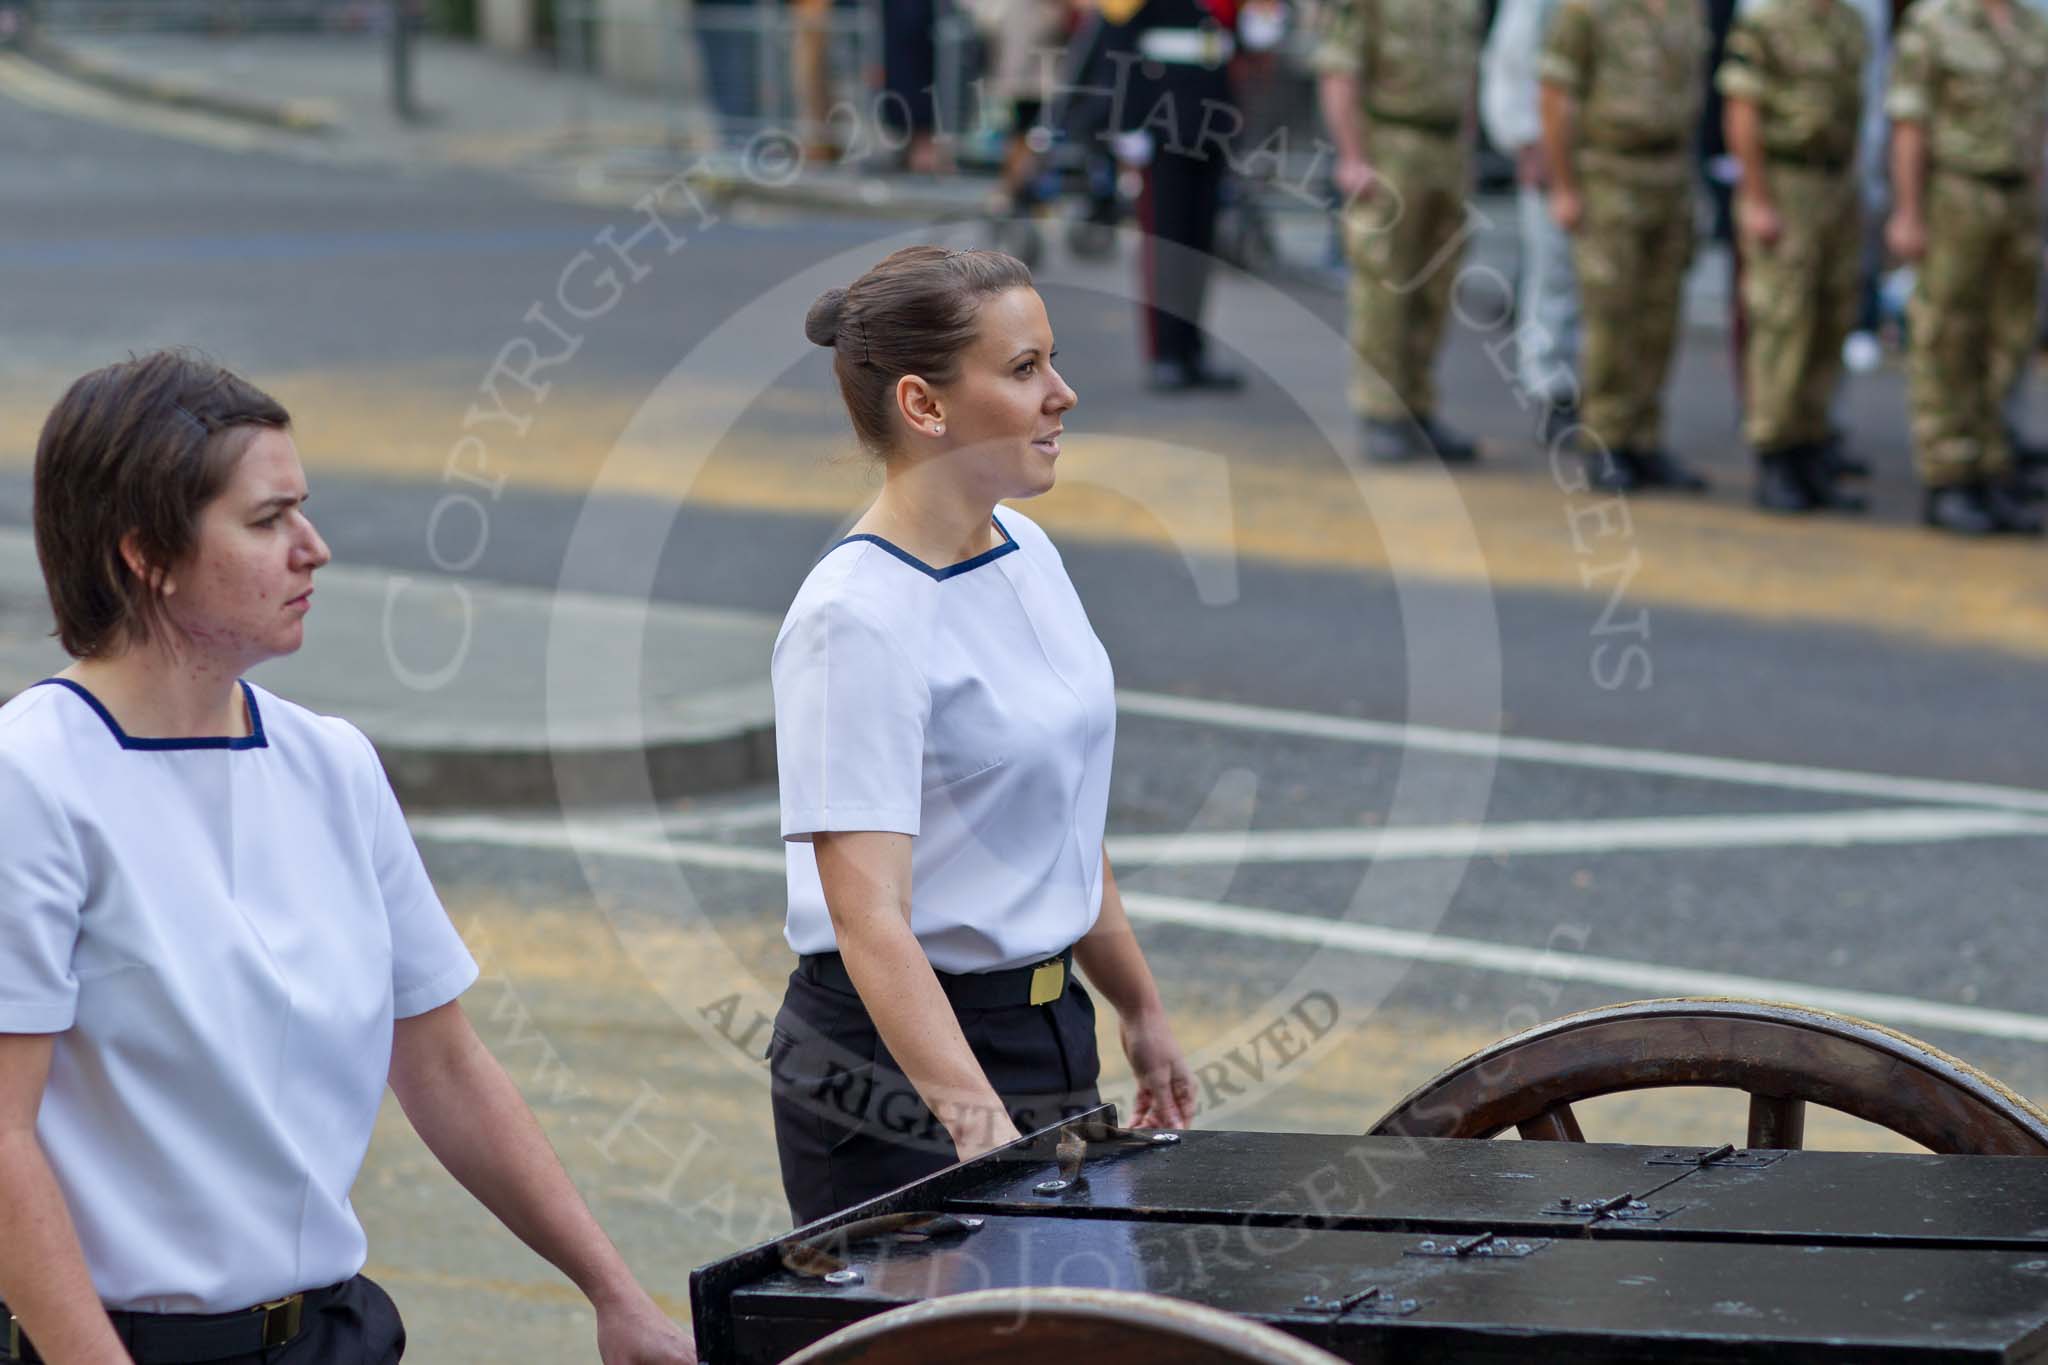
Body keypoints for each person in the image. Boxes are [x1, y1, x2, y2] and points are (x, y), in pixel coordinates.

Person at [0, 352, 695, 1365]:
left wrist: (614, 1295)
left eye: (303, 511)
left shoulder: (332, 763)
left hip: (335, 1336)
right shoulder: (31, 779)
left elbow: (444, 1063)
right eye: (268, 519)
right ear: (147, 553)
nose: (313, 549)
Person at [769, 247, 1196, 1225]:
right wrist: (975, 1132)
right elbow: (867, 919)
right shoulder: (853, 620)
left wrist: (1139, 1008)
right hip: (899, 1074)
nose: (1062, 394)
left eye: (1049, 360)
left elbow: (1057, 823)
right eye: (1022, 369)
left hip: (1049, 1030)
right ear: (923, 406)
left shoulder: (1025, 549)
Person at [1539, 0, 1715, 494]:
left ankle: (1644, 437)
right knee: (1610, 316)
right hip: (1609, 174)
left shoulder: (1686, 10)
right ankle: (1605, 441)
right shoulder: (1587, 10)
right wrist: (1564, 185)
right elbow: (1557, 95)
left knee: (1659, 316)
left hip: (1671, 175)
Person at [1887, 0, 2048, 534]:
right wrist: (1907, 212)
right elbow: (1910, 122)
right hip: (1956, 194)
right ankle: (1949, 475)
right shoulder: (1936, 22)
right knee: (1948, 336)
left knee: (2008, 338)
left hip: (2018, 201)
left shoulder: (2031, 25)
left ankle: (1991, 468)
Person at [1314, 0, 1488, 464]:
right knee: (1384, 285)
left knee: (1435, 287)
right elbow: (1339, 71)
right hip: (1390, 145)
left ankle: (1417, 406)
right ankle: (1380, 412)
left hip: (1446, 149)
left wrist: (1467, 143)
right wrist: (1351, 157)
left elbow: (1467, 72)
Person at [1718, 0, 1870, 513]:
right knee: (1784, 321)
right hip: (1787, 182)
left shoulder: (1848, 22)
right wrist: (1756, 197)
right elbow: (1742, 109)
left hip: (1836, 184)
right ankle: (1775, 453)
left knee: (1830, 320)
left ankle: (1812, 445)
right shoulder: (1766, 19)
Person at [1092, 0, 1246, 392]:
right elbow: (1117, 44)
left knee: (1199, 246)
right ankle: (1166, 353)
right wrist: (1127, 123)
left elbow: (1241, 43)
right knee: (1166, 242)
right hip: (1160, 121)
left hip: (1211, 121)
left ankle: (1193, 349)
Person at [1481, 0, 1584, 450]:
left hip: (1611, 152)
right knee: (1554, 272)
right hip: (1553, 145)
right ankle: (1553, 391)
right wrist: (1524, 137)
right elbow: (1512, 57)